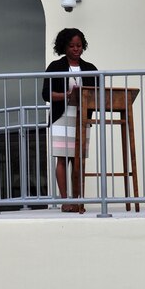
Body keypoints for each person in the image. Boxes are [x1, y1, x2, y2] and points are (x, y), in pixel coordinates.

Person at [41, 28, 98, 213]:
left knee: (78, 159)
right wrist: (66, 95)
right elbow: (46, 94)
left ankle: (77, 200)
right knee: (62, 158)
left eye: (79, 46)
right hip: (62, 116)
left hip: (82, 117)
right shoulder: (55, 67)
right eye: (72, 46)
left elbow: (98, 93)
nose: (76, 49)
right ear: (64, 46)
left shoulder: (90, 68)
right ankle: (65, 201)